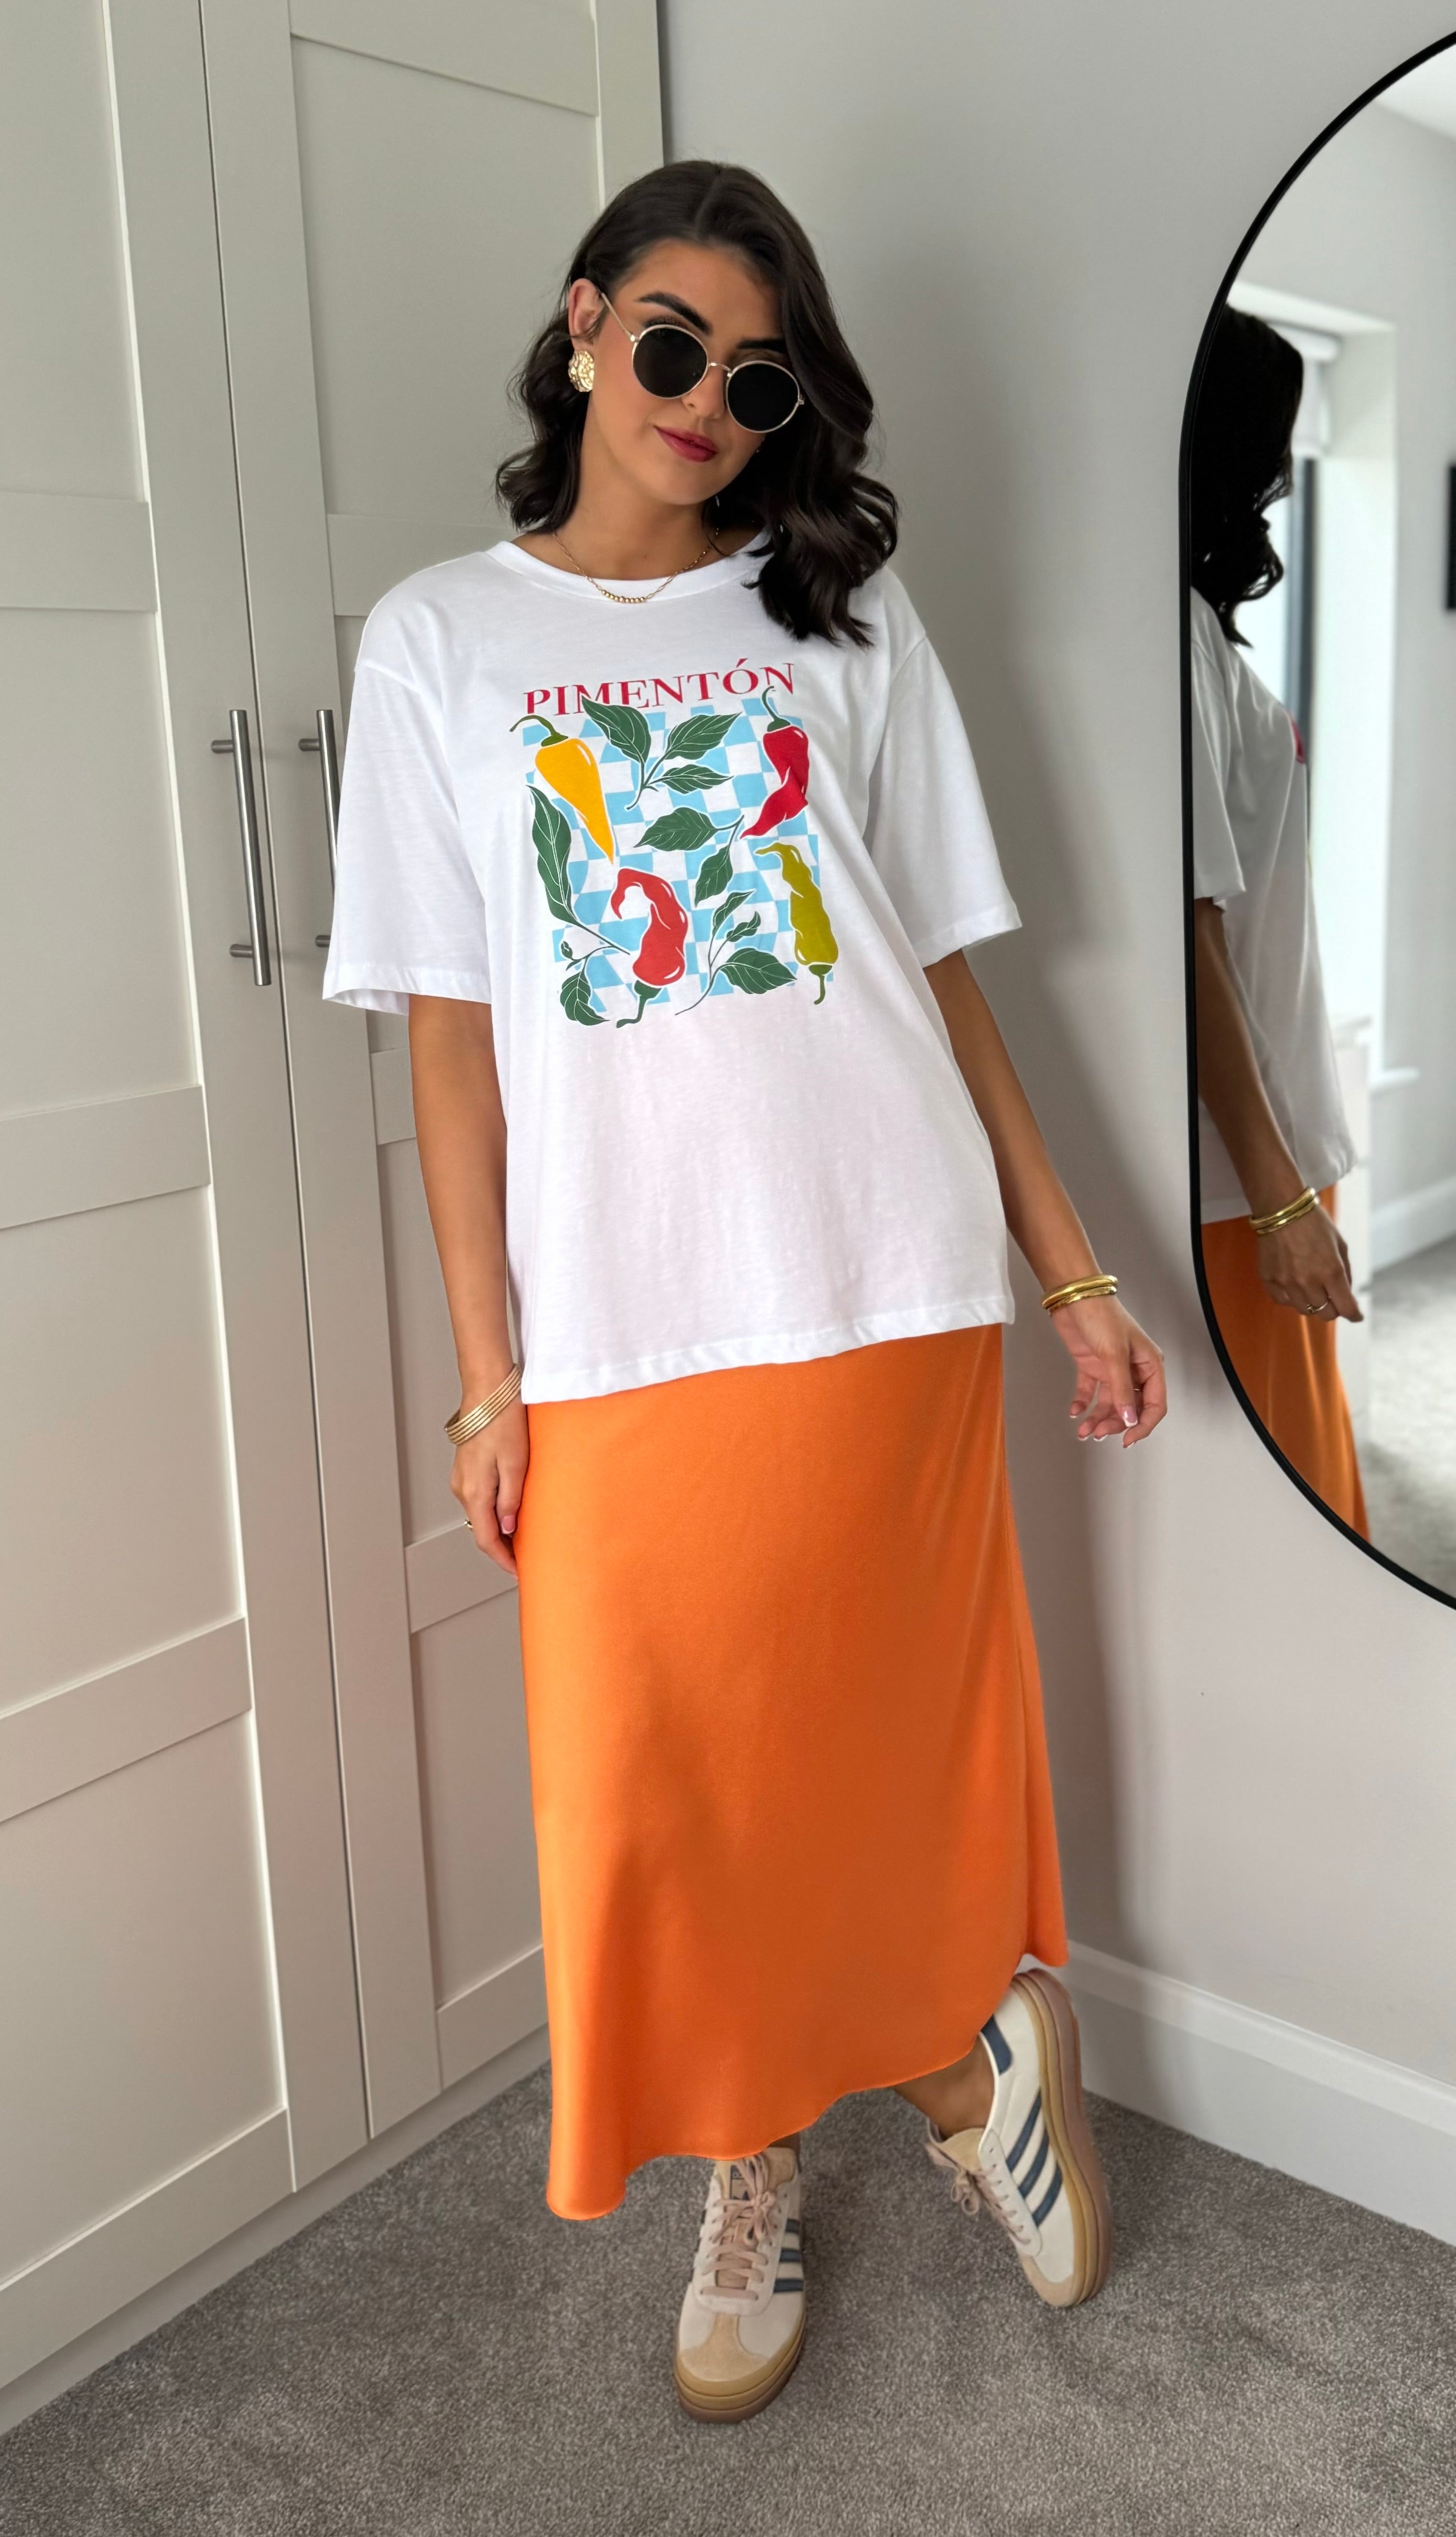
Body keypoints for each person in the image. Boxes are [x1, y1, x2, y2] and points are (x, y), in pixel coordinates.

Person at [323, 160, 1167, 2423]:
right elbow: (446, 1036)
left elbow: (941, 978)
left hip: (876, 1267)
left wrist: (1071, 1272)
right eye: (673, 343)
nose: (705, 399)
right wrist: (486, 1376)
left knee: (862, 1737)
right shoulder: (439, 640)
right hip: (620, 1310)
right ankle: (871, 2104)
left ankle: (848, 2106)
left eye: (757, 378)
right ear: (583, 324)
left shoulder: (841, 617)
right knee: (661, 1783)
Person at [1189, 306, 1367, 1535]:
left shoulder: (1199, 630)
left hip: (1277, 1153)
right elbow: (1190, 933)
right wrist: (1280, 1199)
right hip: (1245, 1181)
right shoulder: (1175, 640)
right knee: (1298, 1513)